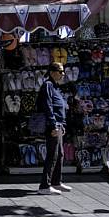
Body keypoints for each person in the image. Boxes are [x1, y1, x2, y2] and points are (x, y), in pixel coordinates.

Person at [37, 61, 71, 195]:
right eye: (60, 71)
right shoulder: (48, 85)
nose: (63, 74)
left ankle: (56, 181)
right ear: (52, 72)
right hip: (54, 124)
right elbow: (47, 106)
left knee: (60, 154)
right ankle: (44, 185)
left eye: (63, 71)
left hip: (59, 124)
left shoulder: (55, 86)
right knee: (53, 154)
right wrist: (53, 125)